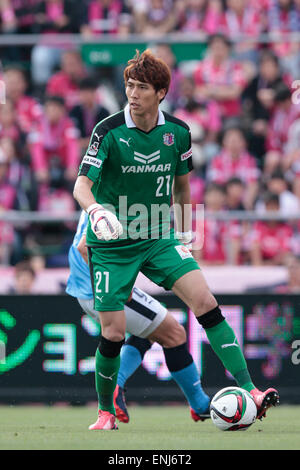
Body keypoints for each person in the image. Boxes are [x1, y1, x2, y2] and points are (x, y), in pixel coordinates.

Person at [73, 49, 279, 430]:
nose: (133, 94)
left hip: (157, 235)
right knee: (114, 332)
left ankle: (250, 389)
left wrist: (185, 234)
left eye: (142, 87)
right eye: (129, 86)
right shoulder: (107, 130)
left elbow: (182, 189)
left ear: (161, 92)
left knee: (206, 301)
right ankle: (104, 412)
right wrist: (95, 211)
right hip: (113, 243)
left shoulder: (178, 133)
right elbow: (81, 186)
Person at [66, 210, 211, 425]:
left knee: (153, 329)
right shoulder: (111, 198)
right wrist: (109, 287)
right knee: (174, 333)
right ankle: (200, 405)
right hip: (99, 289)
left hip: (88, 287)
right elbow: (84, 248)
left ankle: (120, 385)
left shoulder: (98, 192)